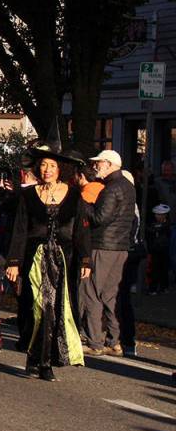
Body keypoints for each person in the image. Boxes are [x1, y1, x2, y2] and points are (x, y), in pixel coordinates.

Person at [5, 130, 88, 381]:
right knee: (35, 309)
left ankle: (46, 362)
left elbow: (80, 232)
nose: (47, 170)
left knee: (55, 309)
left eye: (51, 165)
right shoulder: (28, 195)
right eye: (43, 165)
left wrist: (85, 260)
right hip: (34, 260)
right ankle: (33, 357)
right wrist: (14, 262)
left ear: (60, 168)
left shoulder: (74, 196)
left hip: (62, 260)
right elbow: (19, 230)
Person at [82, 149, 136, 356]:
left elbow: (99, 218)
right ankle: (114, 341)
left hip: (104, 246)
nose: (96, 166)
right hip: (121, 247)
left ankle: (94, 342)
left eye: (99, 163)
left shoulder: (111, 188)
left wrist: (84, 204)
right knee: (110, 295)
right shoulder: (128, 186)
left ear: (110, 164)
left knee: (92, 291)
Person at [146, 204, 171, 295]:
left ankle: (163, 287)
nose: (157, 216)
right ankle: (154, 288)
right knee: (154, 269)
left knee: (163, 269)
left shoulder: (166, 225)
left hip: (163, 250)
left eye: (159, 215)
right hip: (155, 250)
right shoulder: (154, 224)